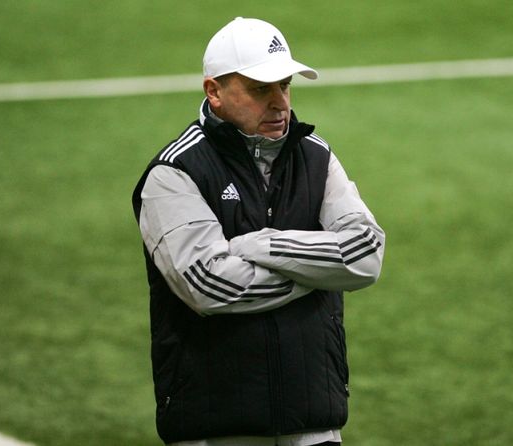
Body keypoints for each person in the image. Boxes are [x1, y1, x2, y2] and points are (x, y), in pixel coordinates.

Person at [132, 17, 385, 446]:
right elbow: (209, 285)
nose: (280, 103)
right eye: (260, 89)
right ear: (214, 91)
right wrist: (319, 272)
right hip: (217, 423)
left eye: (284, 85)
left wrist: (264, 245)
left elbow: (366, 255)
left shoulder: (316, 157)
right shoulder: (174, 173)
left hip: (313, 419)